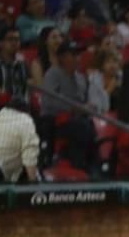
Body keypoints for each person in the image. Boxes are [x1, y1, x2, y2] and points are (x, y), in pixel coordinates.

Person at [40, 42, 96, 173]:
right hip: (55, 120)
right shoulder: (52, 74)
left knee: (91, 126)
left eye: (79, 55)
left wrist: (89, 106)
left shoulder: (81, 78)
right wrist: (74, 108)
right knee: (81, 127)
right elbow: (49, 101)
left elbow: (86, 101)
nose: (78, 58)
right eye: (74, 55)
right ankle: (77, 165)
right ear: (62, 57)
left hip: (78, 118)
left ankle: (93, 168)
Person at [0, 27, 29, 112]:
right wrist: (12, 103)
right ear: (1, 43)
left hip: (22, 106)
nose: (14, 42)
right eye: (10, 39)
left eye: (17, 39)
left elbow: (30, 86)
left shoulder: (22, 63)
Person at [87, 48, 121, 114]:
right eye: (108, 62)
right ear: (101, 64)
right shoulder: (95, 79)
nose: (112, 65)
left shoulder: (121, 77)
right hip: (100, 117)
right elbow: (96, 108)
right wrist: (108, 90)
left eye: (115, 61)